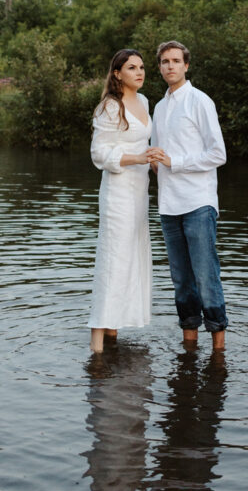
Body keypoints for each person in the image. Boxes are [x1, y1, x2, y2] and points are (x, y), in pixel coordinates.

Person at [148, 41, 228, 351]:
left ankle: (219, 353)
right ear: (160, 67)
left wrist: (175, 163)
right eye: (165, 61)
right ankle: (189, 348)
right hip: (168, 206)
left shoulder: (199, 101)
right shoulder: (159, 107)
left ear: (186, 65)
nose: (170, 66)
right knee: (181, 282)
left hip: (198, 203)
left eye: (176, 61)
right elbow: (159, 157)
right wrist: (154, 163)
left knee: (206, 279)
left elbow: (218, 153)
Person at [88, 48, 153, 354]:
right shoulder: (109, 107)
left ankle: (113, 332)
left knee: (131, 261)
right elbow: (99, 154)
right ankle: (97, 344)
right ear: (117, 74)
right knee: (114, 262)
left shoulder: (144, 101)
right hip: (117, 194)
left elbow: (143, 142)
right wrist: (138, 157)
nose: (139, 72)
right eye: (131, 67)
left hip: (140, 193)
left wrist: (152, 158)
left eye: (141, 67)